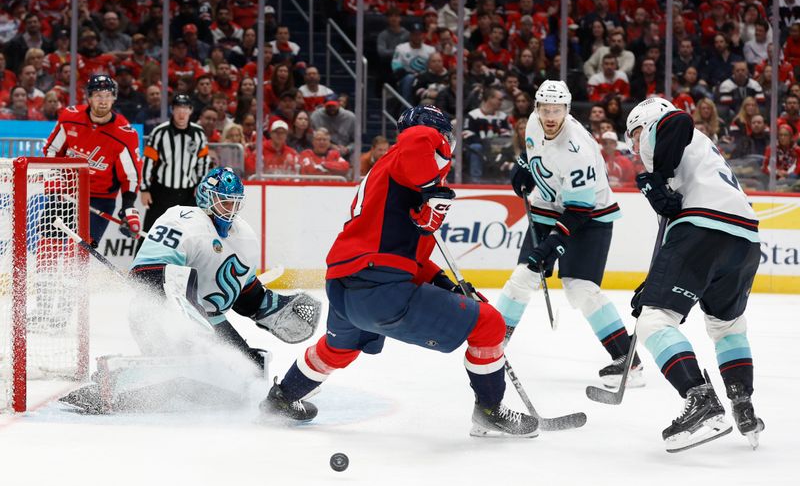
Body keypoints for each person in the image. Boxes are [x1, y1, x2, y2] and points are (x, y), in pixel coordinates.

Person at [261, 105, 538, 437]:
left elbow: (416, 263)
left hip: (345, 281)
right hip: (380, 286)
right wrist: (432, 188)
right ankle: (490, 411)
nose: (444, 146)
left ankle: (282, 398)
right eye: (443, 138)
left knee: (338, 348)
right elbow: (418, 137)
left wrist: (449, 286)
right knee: (490, 323)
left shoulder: (394, 177)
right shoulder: (414, 154)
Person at [625, 97, 764, 452]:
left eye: (635, 134)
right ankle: (742, 403)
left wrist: (653, 178)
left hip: (704, 228)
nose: (635, 145)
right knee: (727, 325)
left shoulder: (670, 128)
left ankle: (699, 399)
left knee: (654, 321)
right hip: (745, 238)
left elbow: (678, 120)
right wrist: (654, 283)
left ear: (649, 122)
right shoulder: (699, 154)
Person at [498, 80, 640, 389]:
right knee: (523, 277)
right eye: (545, 109)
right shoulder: (534, 123)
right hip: (550, 204)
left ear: (567, 110)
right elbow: (535, 150)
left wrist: (551, 246)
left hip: (590, 214)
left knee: (581, 289)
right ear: (536, 109)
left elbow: (579, 210)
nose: (550, 116)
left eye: (557, 110)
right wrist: (524, 165)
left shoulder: (577, 150)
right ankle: (493, 343)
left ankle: (628, 360)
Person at [129, 167, 321, 371]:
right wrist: (186, 316)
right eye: (225, 201)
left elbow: (243, 294)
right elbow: (145, 273)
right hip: (158, 315)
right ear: (206, 197)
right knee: (183, 378)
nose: (231, 208)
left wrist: (268, 305)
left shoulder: (245, 237)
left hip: (210, 320)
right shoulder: (180, 220)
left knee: (249, 371)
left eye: (235, 202)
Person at [43, 74, 142, 247]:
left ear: (113, 98)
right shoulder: (69, 118)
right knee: (49, 244)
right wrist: (54, 177)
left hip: (100, 199)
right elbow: (52, 150)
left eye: (107, 95)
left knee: (83, 252)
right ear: (89, 97)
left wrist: (128, 206)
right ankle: (43, 274)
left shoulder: (125, 134)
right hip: (66, 192)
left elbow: (130, 176)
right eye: (97, 95)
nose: (102, 101)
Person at [140, 94, 211, 234]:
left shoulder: (198, 133)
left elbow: (203, 162)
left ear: (191, 111)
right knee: (150, 232)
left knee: (189, 233)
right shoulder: (160, 132)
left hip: (188, 193)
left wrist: (200, 185)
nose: (182, 113)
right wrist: (144, 189)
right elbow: (147, 161)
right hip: (161, 192)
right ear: (172, 110)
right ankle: (141, 256)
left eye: (185, 109)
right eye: (178, 108)